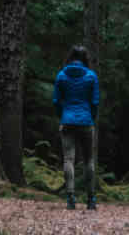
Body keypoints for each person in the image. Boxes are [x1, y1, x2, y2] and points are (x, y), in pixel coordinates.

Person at [52, 44, 99, 209]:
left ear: (70, 57)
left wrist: (62, 116)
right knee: (88, 160)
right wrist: (91, 117)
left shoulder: (61, 76)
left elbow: (56, 101)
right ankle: (91, 199)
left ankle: (70, 197)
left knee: (68, 160)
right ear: (85, 59)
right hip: (86, 122)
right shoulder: (92, 76)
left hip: (67, 121)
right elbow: (95, 102)